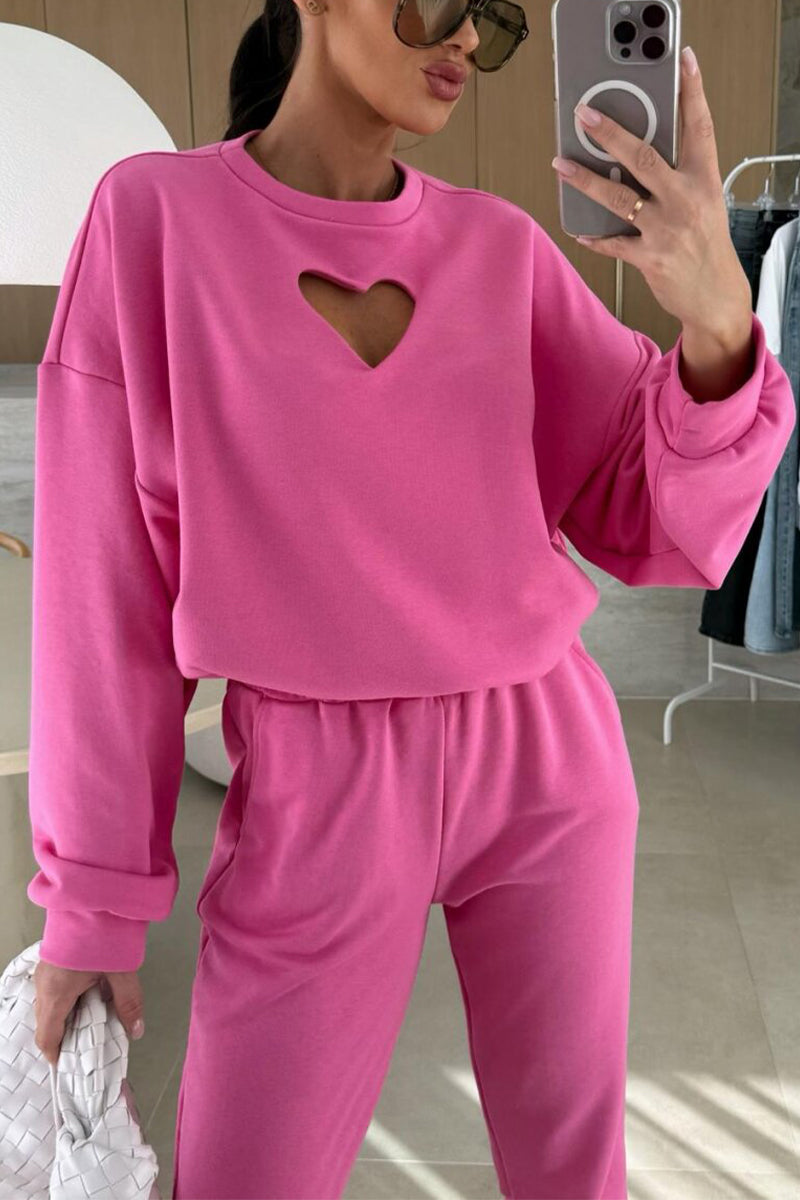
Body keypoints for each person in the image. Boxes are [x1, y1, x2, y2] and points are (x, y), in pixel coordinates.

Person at [27, 0, 796, 1195]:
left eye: (490, 19)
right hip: (314, 788)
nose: (464, 40)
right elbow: (103, 593)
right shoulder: (153, 223)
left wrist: (717, 327)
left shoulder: (499, 249)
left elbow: (650, 518)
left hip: (545, 756)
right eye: (440, 2)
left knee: (572, 1174)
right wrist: (91, 901)